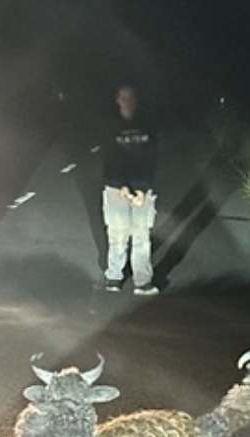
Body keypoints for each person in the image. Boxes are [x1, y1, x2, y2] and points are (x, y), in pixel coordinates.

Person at [101, 84, 160, 295]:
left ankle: (142, 281)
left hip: (142, 188)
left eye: (130, 97)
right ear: (117, 100)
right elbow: (109, 158)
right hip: (116, 188)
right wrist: (122, 185)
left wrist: (142, 189)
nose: (127, 101)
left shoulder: (148, 124)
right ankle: (114, 277)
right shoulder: (110, 125)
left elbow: (152, 158)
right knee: (118, 234)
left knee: (141, 236)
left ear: (136, 100)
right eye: (123, 97)